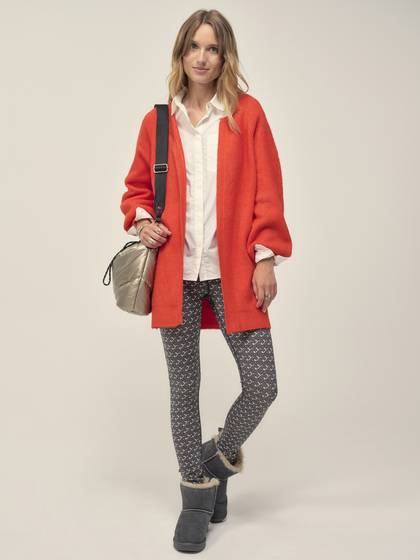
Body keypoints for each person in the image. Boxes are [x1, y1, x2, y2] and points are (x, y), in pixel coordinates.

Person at [120, 9, 292, 553]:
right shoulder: (158, 123)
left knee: (262, 384)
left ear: (224, 56)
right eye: (193, 46)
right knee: (184, 389)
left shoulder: (247, 115)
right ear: (181, 53)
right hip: (177, 273)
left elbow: (268, 189)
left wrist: (266, 257)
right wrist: (142, 221)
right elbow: (136, 190)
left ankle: (212, 463)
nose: (202, 57)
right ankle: (195, 500)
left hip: (234, 269)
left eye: (212, 48)